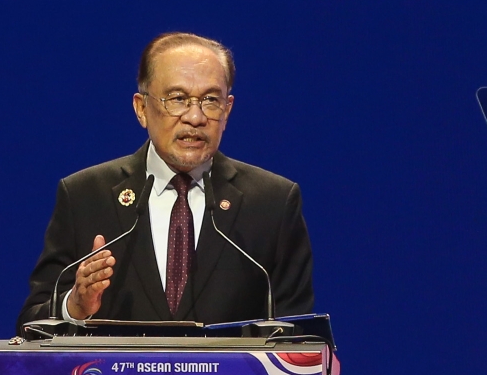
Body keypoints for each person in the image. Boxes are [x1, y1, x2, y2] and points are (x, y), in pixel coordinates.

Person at [16, 32, 314, 332]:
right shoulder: (85, 196)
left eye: (211, 100)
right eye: (178, 99)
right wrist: (75, 306)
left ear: (227, 110)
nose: (195, 117)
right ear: (141, 108)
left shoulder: (272, 203)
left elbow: (298, 336)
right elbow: (32, 325)